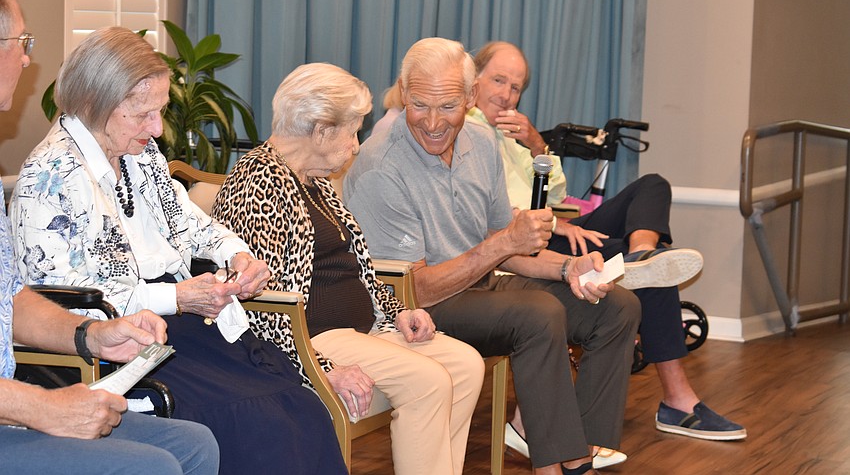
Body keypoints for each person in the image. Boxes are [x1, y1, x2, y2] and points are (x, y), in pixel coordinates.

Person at [9, 25, 347, 474]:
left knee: (299, 405)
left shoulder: (140, 154)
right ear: (96, 105)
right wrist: (178, 297)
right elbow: (69, 301)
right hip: (127, 337)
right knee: (257, 421)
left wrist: (235, 254)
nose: (157, 127)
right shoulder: (48, 179)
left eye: (160, 111)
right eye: (143, 114)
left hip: (185, 323)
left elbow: (192, 225)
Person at [344, 37, 642, 475]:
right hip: (416, 306)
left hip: (483, 286)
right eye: (420, 104)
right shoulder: (380, 168)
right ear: (404, 95)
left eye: (447, 106)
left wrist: (567, 267)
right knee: (537, 313)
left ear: (469, 99)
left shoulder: (481, 143)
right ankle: (554, 465)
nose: (431, 122)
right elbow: (414, 288)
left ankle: (579, 450)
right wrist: (502, 245)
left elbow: (509, 243)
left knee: (616, 307)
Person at [212, 62, 485, 475]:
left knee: (465, 364)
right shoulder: (258, 183)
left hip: (361, 330)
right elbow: (259, 306)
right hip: (314, 340)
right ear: (321, 130)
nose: (357, 145)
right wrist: (323, 369)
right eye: (353, 130)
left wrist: (398, 314)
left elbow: (356, 267)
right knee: (428, 379)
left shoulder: (312, 179)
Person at [0, 0, 219, 475]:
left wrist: (90, 336)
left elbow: (11, 300)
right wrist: (43, 407)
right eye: (21, 40)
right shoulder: (53, 171)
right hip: (14, 408)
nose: (29, 57)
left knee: (195, 445)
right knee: (156, 466)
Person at [468, 40, 746, 441]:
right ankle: (677, 400)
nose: (507, 94)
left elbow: (558, 196)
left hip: (556, 228)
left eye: (516, 86)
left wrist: (535, 144)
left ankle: (640, 254)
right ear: (473, 80)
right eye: (498, 80)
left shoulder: (511, 135)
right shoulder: (466, 132)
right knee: (653, 278)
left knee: (652, 185)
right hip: (528, 247)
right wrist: (558, 224)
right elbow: (494, 214)